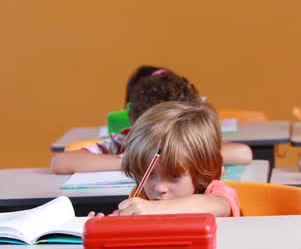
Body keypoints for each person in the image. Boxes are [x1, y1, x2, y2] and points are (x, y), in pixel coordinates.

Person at [95, 101, 240, 249]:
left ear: (205, 171)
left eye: (174, 176)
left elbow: (218, 206)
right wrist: (99, 240)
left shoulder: (215, 193)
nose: (159, 188)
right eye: (150, 175)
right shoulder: (141, 200)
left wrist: (152, 210)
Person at [51, 72, 252, 174]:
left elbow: (242, 153)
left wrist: (173, 159)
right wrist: (135, 161)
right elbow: (60, 162)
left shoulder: (192, 139)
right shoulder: (125, 141)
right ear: (134, 121)